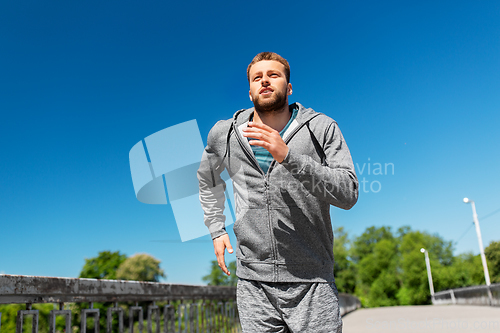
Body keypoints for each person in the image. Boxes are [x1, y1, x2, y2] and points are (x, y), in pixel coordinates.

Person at [197, 52, 358, 332]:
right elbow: (207, 178)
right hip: (253, 282)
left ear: (289, 87)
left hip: (312, 281)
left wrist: (288, 156)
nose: (265, 81)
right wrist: (216, 228)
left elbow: (348, 193)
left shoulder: (321, 127)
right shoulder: (225, 134)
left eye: (274, 75)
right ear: (249, 92)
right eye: (257, 78)